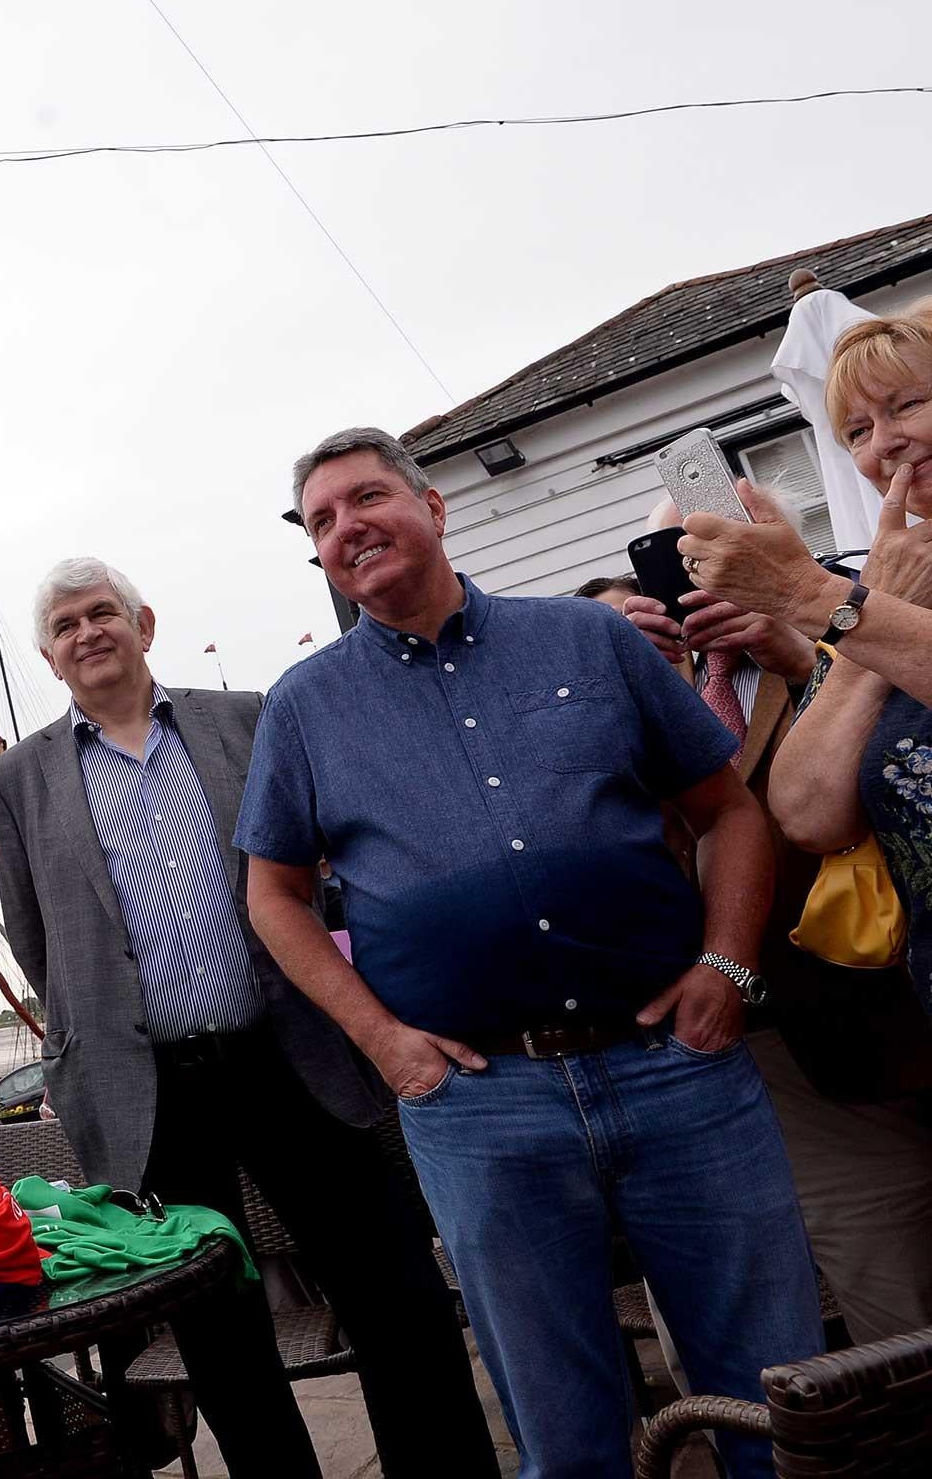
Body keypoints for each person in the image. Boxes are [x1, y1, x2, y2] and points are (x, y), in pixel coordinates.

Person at [239, 427, 822, 1479]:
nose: (345, 529)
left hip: (676, 1070)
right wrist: (380, 1041)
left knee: (768, 1394)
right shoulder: (301, 708)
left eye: (364, 498)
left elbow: (726, 811)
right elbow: (271, 895)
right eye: (321, 521)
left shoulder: (583, 642)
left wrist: (727, 967)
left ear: (433, 506)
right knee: (561, 1432)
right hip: (480, 1107)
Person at [0, 558, 495, 1479]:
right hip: (146, 1090)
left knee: (394, 1291)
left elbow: (328, 868)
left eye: (103, 613)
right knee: (216, 1328)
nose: (88, 632)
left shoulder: (249, 719)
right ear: (50, 658)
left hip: (292, 1052)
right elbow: (37, 941)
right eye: (65, 626)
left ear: (145, 623)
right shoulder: (17, 779)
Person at [620, 497, 932, 1346]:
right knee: (888, 1281)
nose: (706, 564)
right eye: (679, 552)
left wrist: (801, 658)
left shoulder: (853, 617)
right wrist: (628, 691)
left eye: (720, 540)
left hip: (896, 996)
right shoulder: (650, 689)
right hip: (790, 1040)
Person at [680, 300, 932, 1026]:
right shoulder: (881, 584)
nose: (886, 442)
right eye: (856, 430)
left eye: (907, 404)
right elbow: (808, 814)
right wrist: (870, 615)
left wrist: (816, 597)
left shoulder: (844, 599)